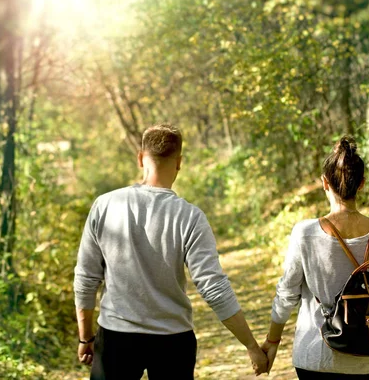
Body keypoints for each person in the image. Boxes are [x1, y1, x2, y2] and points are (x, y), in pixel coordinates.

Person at [73, 124, 268, 380]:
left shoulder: (106, 205)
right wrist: (252, 347)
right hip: (173, 341)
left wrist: (85, 337)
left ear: (141, 158)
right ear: (179, 162)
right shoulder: (191, 217)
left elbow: (86, 278)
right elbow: (213, 288)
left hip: (116, 338)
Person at [261, 136, 369, 380]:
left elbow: (286, 295)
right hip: (368, 360)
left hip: (315, 358)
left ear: (325, 183)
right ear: (362, 184)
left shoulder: (305, 233)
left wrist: (272, 341)